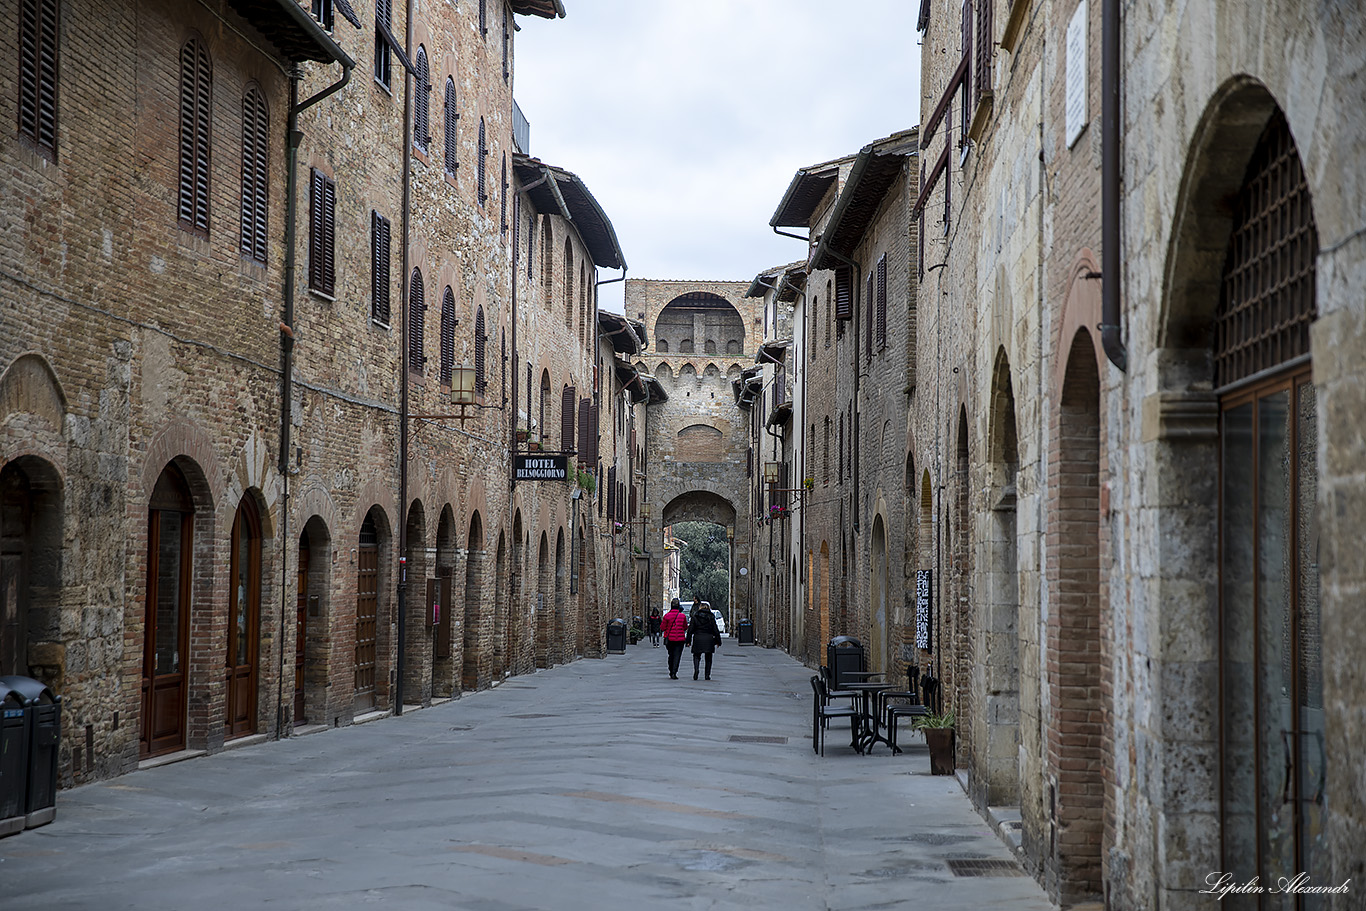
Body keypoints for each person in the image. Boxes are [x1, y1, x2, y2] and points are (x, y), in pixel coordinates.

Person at [685, 601, 721, 680]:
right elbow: (715, 630)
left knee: (696, 656)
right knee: (708, 658)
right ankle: (707, 675)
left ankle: (696, 669)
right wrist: (718, 641)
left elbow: (690, 630)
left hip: (698, 637)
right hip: (709, 638)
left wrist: (688, 641)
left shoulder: (695, 617)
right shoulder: (711, 617)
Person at [660, 598, 688, 679]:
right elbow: (685, 627)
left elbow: (662, 627)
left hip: (670, 639)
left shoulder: (667, 616)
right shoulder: (682, 616)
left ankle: (671, 669)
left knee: (671, 655)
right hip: (680, 639)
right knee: (677, 656)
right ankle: (674, 672)